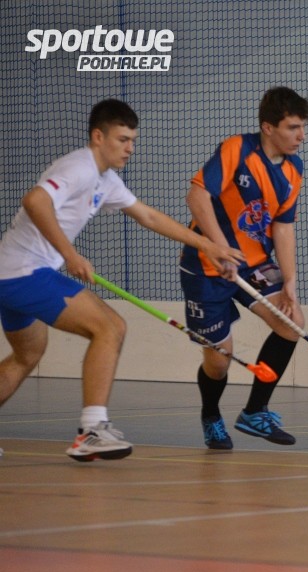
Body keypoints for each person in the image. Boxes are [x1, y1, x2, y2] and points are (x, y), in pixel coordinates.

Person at [0, 99, 244, 462]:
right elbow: (35, 201)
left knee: (27, 355)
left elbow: (148, 216)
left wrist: (207, 244)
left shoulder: (106, 179)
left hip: (11, 274)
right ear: (98, 137)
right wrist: (70, 255)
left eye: (133, 140)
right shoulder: (79, 167)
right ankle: (92, 431)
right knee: (110, 327)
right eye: (122, 139)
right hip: (25, 271)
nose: (130, 147)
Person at [180, 87, 308, 450]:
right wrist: (218, 247)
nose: (301, 136)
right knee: (219, 360)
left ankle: (255, 411)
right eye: (293, 127)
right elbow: (197, 195)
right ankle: (211, 415)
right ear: (268, 127)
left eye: (303, 127)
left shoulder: (294, 169)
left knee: (291, 323)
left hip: (254, 262)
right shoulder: (237, 149)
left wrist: (290, 281)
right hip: (206, 265)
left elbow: (283, 227)